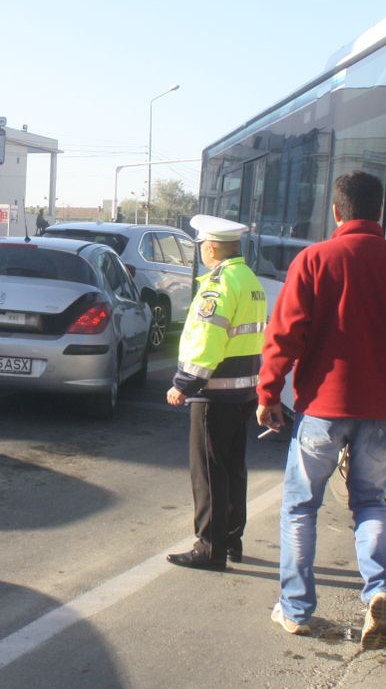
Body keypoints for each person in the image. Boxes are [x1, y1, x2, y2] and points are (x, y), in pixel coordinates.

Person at [257, 171, 386, 649]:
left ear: (336, 211)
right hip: (385, 412)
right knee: (370, 502)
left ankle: (297, 609)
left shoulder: (314, 260)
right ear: (381, 212)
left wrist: (268, 394)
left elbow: (284, 336)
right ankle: (380, 590)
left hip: (323, 410)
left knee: (301, 506)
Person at [165, 215, 266, 571]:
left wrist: (183, 385)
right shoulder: (250, 279)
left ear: (209, 248)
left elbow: (209, 341)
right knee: (233, 469)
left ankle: (209, 547)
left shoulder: (218, 285)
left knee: (207, 472)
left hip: (214, 393)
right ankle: (231, 540)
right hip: (243, 391)